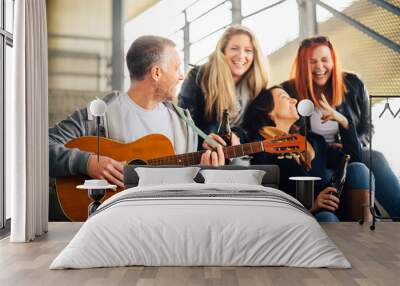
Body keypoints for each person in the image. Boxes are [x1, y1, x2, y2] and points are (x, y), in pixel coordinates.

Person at [49, 35, 226, 220]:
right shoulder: (99, 115)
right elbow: (40, 147)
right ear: (156, 72)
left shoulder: (184, 122)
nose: (182, 76)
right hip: (115, 226)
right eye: (176, 68)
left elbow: (186, 189)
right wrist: (87, 162)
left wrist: (207, 175)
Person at [280, 35, 400, 218]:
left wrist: (348, 140)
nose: (319, 67)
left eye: (324, 60)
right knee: (328, 173)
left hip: (349, 150)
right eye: (312, 62)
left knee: (374, 157)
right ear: (303, 65)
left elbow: (367, 128)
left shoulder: (353, 84)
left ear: (333, 61)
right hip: (316, 156)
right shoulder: (289, 91)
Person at [243, 87, 374, 222]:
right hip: (301, 213)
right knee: (326, 218)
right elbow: (267, 192)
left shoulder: (314, 141)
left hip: (334, 206)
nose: (294, 100)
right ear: (269, 111)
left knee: (359, 169)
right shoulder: (259, 145)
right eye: (284, 97)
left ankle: (366, 234)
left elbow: (353, 161)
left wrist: (344, 122)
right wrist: (312, 204)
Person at [179, 25, 268, 147]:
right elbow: (184, 122)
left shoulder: (257, 86)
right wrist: (204, 140)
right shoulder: (198, 76)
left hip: (241, 157)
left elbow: (255, 128)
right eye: (234, 48)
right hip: (203, 155)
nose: (241, 55)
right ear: (222, 51)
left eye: (248, 50)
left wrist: (238, 135)